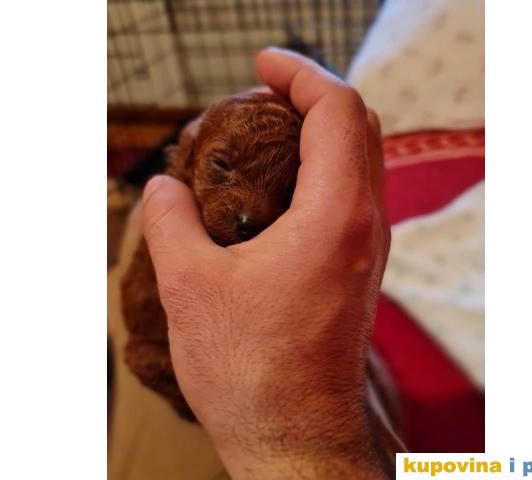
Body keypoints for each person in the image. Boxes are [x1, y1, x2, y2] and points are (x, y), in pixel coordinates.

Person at [142, 47, 392, 479]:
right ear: (189, 155)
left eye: (288, 188)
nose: (252, 214)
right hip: (165, 354)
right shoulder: (177, 188)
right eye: (222, 166)